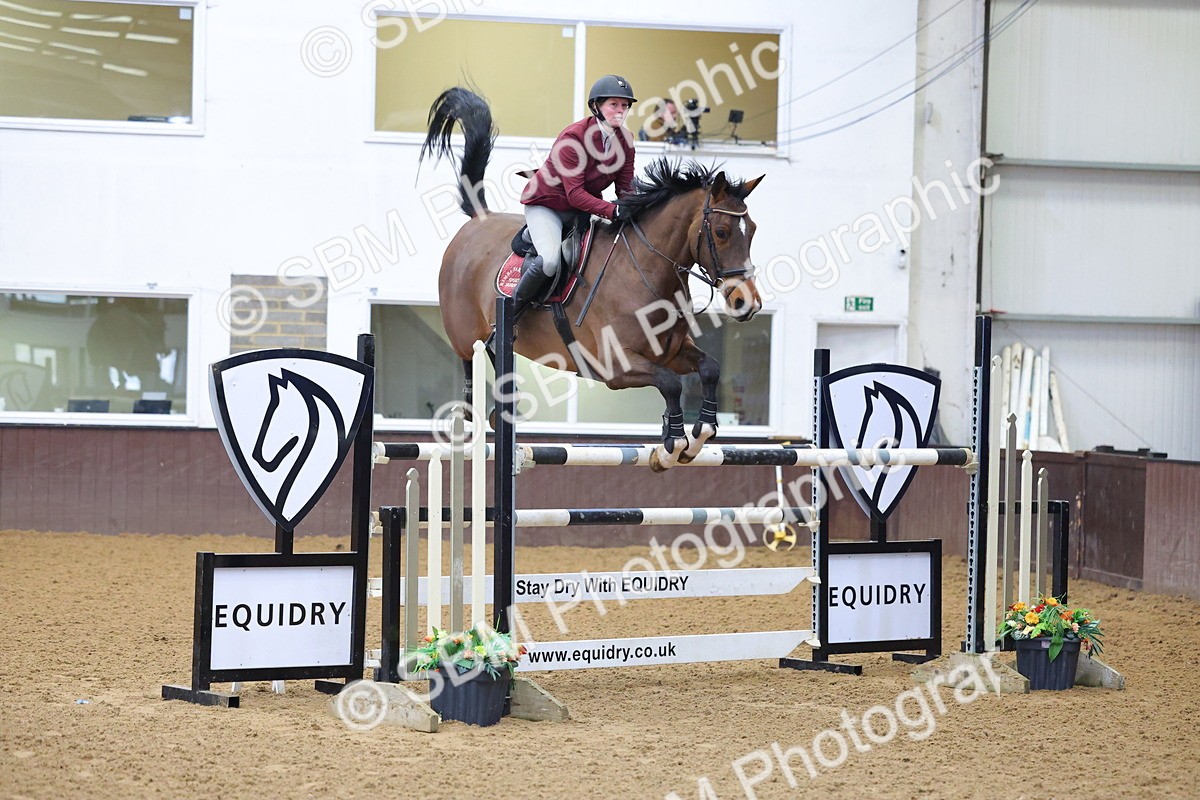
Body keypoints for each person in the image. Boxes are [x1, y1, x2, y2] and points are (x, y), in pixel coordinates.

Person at [515, 74, 638, 320]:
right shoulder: (573, 138)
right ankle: (508, 315)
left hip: (583, 209)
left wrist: (634, 208)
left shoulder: (626, 141)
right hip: (548, 205)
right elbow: (574, 195)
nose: (620, 111)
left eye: (624, 106)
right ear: (596, 107)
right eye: (614, 104)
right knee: (549, 261)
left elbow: (625, 188)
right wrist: (613, 211)